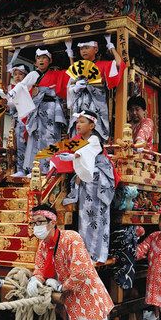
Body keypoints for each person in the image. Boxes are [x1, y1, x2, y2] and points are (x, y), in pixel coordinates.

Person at [59, 110, 115, 262]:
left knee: (96, 219)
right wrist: (45, 157)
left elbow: (86, 153)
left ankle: (96, 254)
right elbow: (60, 149)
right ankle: (85, 254)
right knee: (84, 220)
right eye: (77, 122)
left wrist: (73, 156)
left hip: (98, 183)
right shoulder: (78, 140)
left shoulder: (94, 139)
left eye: (82, 122)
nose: (78, 125)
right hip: (85, 182)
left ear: (92, 125)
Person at [67, 37, 126, 141]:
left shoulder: (103, 64)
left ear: (96, 49)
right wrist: (75, 88)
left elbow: (119, 64)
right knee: (78, 133)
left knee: (95, 134)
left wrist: (111, 46)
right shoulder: (78, 67)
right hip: (79, 106)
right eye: (81, 49)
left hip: (96, 105)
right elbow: (70, 88)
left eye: (86, 48)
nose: (83, 51)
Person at [24, 47, 70, 174]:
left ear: (50, 61)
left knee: (51, 137)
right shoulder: (32, 76)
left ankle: (51, 168)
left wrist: (70, 53)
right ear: (35, 62)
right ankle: (35, 168)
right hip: (37, 111)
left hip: (51, 111)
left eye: (44, 58)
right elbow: (22, 90)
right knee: (35, 138)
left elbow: (72, 76)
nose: (41, 60)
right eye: (39, 58)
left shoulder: (57, 74)